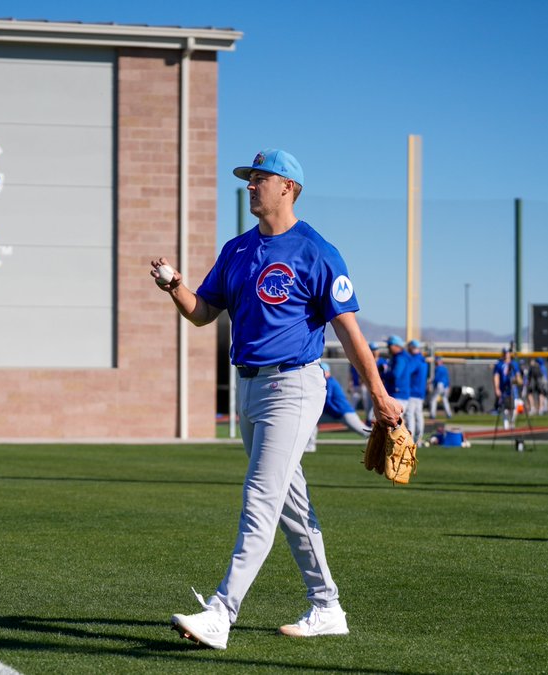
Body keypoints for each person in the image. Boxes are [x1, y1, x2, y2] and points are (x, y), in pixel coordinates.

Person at [151, 148, 402, 650]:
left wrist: (378, 393)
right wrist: (175, 285)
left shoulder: (315, 250)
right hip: (247, 385)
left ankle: (221, 614)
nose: (249, 186)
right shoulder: (238, 249)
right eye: (248, 179)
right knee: (289, 504)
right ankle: (327, 606)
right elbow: (203, 313)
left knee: (259, 499)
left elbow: (348, 330)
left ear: (288, 187)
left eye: (259, 178)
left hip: (293, 384)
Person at [304, 363, 371, 452]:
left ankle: (383, 437)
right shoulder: (327, 381)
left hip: (344, 413)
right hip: (335, 413)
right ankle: (310, 446)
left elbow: (327, 401)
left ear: (326, 372)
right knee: (312, 421)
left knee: (364, 431)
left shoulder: (329, 381)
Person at [492, 348, 520, 430]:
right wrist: (497, 388)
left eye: (507, 353)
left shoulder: (513, 364)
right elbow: (496, 376)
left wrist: (516, 380)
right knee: (504, 409)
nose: (506, 355)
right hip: (503, 390)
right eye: (505, 353)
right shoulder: (499, 364)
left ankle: (512, 423)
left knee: (514, 407)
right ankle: (506, 426)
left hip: (512, 390)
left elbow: (518, 376)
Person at [406, 339, 427, 437]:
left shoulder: (414, 360)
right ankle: (419, 439)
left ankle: (410, 439)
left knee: (410, 416)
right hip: (420, 393)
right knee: (419, 416)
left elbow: (406, 372)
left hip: (412, 392)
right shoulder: (422, 360)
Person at [430, 355, 453, 419]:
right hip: (445, 386)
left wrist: (431, 383)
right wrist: (448, 386)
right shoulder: (445, 368)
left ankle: (432, 415)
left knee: (433, 400)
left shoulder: (438, 368)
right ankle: (449, 414)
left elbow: (436, 378)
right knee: (445, 400)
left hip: (440, 384)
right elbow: (447, 379)